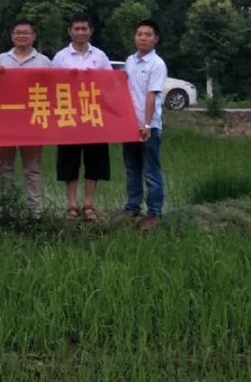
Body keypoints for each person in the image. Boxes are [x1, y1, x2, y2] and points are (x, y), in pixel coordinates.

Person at [50, 12, 112, 223]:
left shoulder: (100, 57)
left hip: (93, 115)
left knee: (94, 160)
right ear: (70, 31)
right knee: (69, 160)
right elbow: (52, 85)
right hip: (68, 115)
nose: (80, 32)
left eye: (84, 28)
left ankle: (89, 204)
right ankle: (72, 205)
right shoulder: (61, 57)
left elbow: (110, 84)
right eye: (76, 29)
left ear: (90, 31)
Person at [0, 19, 52, 219]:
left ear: (33, 36)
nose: (21, 36)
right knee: (4, 168)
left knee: (32, 169)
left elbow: (54, 89)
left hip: (32, 121)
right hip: (5, 121)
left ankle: (35, 212)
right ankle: (4, 209)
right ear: (12, 36)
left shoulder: (44, 62)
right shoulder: (1, 59)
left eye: (26, 32)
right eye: (18, 32)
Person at [121, 19, 167, 231]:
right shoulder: (130, 61)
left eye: (148, 35)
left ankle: (154, 212)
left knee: (151, 170)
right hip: (129, 125)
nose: (143, 38)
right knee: (132, 168)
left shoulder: (157, 64)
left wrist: (147, 124)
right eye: (139, 34)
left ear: (155, 39)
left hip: (149, 127)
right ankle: (133, 206)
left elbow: (151, 95)